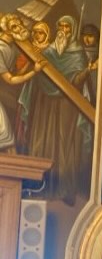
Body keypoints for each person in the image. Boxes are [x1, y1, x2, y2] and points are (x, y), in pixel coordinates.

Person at [16, 15, 94, 204]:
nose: (63, 31)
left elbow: (77, 82)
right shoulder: (48, 51)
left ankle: (64, 188)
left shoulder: (78, 55)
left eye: (67, 28)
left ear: (72, 31)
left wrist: (86, 71)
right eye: (61, 26)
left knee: (64, 144)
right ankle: (39, 186)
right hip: (45, 106)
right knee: (42, 142)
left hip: (68, 107)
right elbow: (37, 76)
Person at [0, 15, 41, 152]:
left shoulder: (10, 47)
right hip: (3, 94)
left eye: (20, 25)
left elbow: (16, 74)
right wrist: (34, 72)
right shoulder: (0, 48)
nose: (19, 29)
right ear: (6, 30)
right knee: (5, 132)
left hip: (6, 93)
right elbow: (10, 80)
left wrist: (29, 61)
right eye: (14, 27)